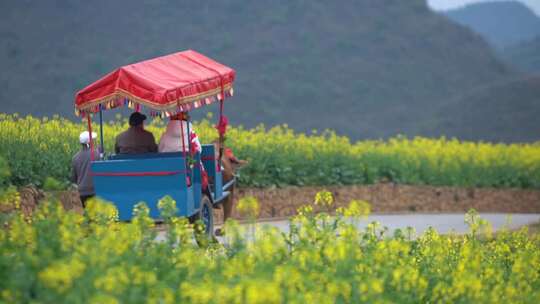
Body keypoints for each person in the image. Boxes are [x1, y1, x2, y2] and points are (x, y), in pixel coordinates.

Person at [71, 131, 99, 208]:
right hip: (94, 190)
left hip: (82, 192)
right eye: (93, 140)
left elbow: (73, 178)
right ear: (89, 143)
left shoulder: (75, 157)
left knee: (88, 212)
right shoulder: (96, 153)